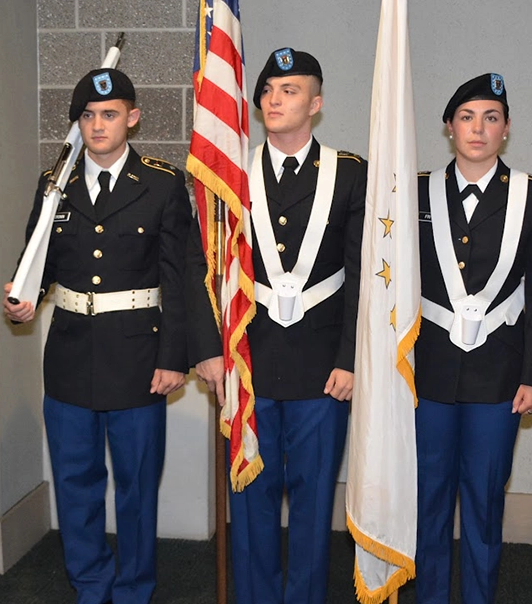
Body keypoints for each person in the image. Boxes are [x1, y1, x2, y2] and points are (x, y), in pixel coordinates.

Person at [3, 68, 192, 604]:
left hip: (138, 358)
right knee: (75, 484)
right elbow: (35, 261)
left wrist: (173, 357)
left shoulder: (161, 183)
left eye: (109, 115)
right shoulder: (53, 183)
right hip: (68, 355)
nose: (97, 125)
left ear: (131, 118)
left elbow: (177, 278)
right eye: (87, 115)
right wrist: (23, 299)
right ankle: (90, 585)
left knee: (135, 489)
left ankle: (133, 590)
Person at [187, 48, 366, 604]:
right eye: (267, 90)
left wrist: (350, 359)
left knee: (314, 505)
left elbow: (362, 276)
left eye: (289, 90)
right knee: (251, 499)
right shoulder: (231, 170)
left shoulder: (350, 172)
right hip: (249, 359)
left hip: (322, 368)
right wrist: (209, 348)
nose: (273, 99)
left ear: (316, 103)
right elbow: (206, 264)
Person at [414, 73, 532, 604]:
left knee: (483, 502)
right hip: (427, 373)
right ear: (449, 127)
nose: (479, 128)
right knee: (427, 501)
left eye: (491, 118)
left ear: (507, 129)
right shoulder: (416, 189)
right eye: (467, 117)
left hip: (500, 376)